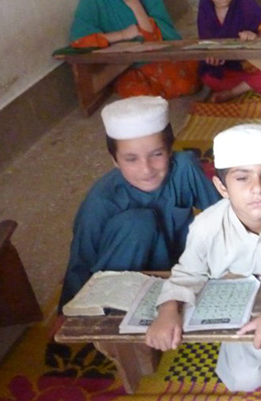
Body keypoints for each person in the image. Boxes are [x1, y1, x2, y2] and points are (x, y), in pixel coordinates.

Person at [145, 124, 261, 392]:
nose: (257, 189)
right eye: (242, 178)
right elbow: (187, 274)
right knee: (243, 380)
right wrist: (168, 310)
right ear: (221, 186)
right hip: (236, 311)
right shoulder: (206, 226)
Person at [59, 96, 220, 308]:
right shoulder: (101, 200)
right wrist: (67, 314)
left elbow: (222, 215)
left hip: (178, 273)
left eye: (157, 154)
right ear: (115, 160)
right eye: (131, 159)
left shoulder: (184, 168)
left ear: (170, 150)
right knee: (139, 222)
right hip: (120, 288)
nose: (146, 169)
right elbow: (81, 261)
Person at [69, 0, 199, 99]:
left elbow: (162, 37)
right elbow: (79, 40)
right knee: (138, 95)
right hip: (126, 66)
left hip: (156, 57)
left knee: (186, 84)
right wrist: (123, 35)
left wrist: (135, 4)